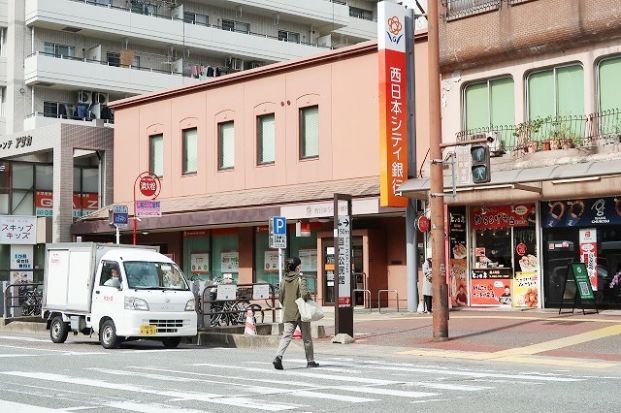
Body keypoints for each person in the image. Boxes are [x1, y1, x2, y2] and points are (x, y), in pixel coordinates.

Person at [273, 256, 319, 370]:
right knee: (307, 337)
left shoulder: (283, 280)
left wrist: (287, 305)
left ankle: (278, 357)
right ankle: (310, 361)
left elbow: (280, 297)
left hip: (288, 312)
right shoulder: (300, 278)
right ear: (298, 267)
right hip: (302, 313)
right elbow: (304, 294)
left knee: (286, 336)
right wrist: (309, 298)